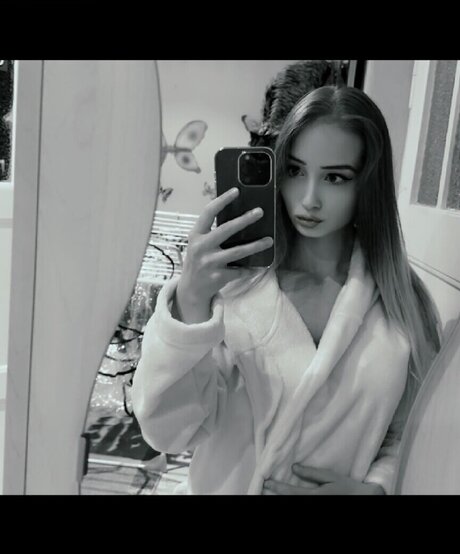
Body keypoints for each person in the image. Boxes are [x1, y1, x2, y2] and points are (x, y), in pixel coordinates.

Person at [131, 85, 442, 495]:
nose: (309, 199)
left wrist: (377, 489)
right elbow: (168, 432)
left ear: (367, 184)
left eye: (334, 177)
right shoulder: (235, 288)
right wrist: (190, 303)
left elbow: (412, 435)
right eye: (295, 171)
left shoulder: (402, 304)